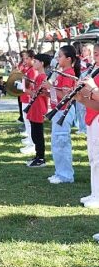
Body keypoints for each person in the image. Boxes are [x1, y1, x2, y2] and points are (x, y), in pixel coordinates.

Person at [42, 45, 81, 184]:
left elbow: (66, 96)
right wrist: (46, 91)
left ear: (69, 59)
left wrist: (50, 87)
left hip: (64, 111)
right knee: (57, 144)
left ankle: (66, 175)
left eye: (60, 56)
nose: (58, 58)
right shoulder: (61, 72)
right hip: (58, 111)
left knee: (62, 143)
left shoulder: (69, 73)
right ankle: (60, 172)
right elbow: (56, 95)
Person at [75, 43, 99, 208]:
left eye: (98, 54)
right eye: (95, 53)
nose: (96, 57)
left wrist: (92, 89)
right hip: (93, 117)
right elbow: (94, 101)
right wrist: (79, 97)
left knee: (98, 158)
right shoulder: (95, 71)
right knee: (93, 158)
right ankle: (95, 193)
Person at [26, 53, 52, 167]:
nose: (34, 63)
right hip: (35, 107)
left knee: (37, 134)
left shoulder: (42, 77)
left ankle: (41, 157)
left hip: (38, 107)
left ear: (41, 63)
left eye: (36, 61)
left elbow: (37, 93)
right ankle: (38, 155)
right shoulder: (38, 76)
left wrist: (25, 90)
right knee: (35, 133)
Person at [19, 49, 38, 154]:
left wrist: (22, 86)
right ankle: (30, 140)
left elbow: (31, 86)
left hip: (28, 98)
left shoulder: (32, 71)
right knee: (27, 121)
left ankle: (32, 144)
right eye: (24, 58)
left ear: (32, 59)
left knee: (30, 122)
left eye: (27, 58)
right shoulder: (28, 69)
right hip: (24, 97)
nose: (24, 60)